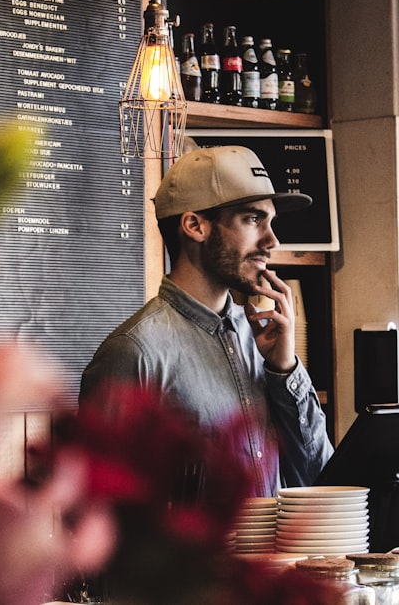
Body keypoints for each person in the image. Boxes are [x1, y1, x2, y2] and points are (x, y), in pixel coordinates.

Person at [79, 145, 333, 497]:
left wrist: (284, 369)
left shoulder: (265, 342)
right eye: (253, 219)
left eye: (271, 222)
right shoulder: (135, 352)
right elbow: (104, 511)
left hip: (273, 554)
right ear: (195, 225)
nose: (272, 240)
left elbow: (319, 478)